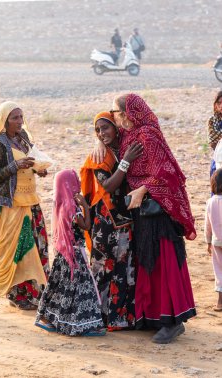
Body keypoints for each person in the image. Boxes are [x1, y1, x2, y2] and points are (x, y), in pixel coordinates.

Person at [93, 93, 196, 344]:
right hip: (140, 212)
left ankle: (173, 322)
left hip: (157, 210)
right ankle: (153, 318)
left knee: (163, 261)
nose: (115, 117)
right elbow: (106, 136)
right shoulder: (129, 135)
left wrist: (142, 189)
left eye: (116, 113)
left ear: (128, 113)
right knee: (146, 262)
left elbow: (168, 172)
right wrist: (98, 144)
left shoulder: (148, 135)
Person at [81, 112, 142, 331]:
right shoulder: (99, 156)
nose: (101, 133)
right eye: (97, 130)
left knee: (123, 266)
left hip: (124, 218)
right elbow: (107, 186)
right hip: (105, 221)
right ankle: (98, 316)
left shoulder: (122, 146)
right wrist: (125, 162)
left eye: (105, 128)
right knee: (102, 268)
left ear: (116, 128)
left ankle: (120, 318)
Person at [0, 101, 49, 310]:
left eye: (21, 117)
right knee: (19, 249)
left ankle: (34, 292)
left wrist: (38, 170)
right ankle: (17, 294)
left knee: (37, 246)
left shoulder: (24, 139)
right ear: (5, 121)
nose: (20, 121)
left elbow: (31, 164)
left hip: (31, 201)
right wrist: (14, 166)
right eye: (15, 118)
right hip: (11, 205)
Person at [35, 169, 105, 336]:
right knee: (82, 288)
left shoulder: (60, 205)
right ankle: (81, 324)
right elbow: (86, 226)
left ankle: (48, 317)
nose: (79, 184)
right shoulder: (73, 208)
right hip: (75, 255)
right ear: (69, 185)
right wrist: (86, 207)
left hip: (62, 254)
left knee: (59, 285)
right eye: (76, 181)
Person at [205, 169, 222, 312]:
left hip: (217, 241)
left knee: (219, 270)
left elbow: (207, 225)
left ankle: (220, 302)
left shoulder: (210, 202)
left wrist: (208, 242)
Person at [207, 91, 222, 177]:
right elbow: (212, 142)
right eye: (219, 103)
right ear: (215, 105)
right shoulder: (212, 121)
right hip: (218, 158)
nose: (221, 106)